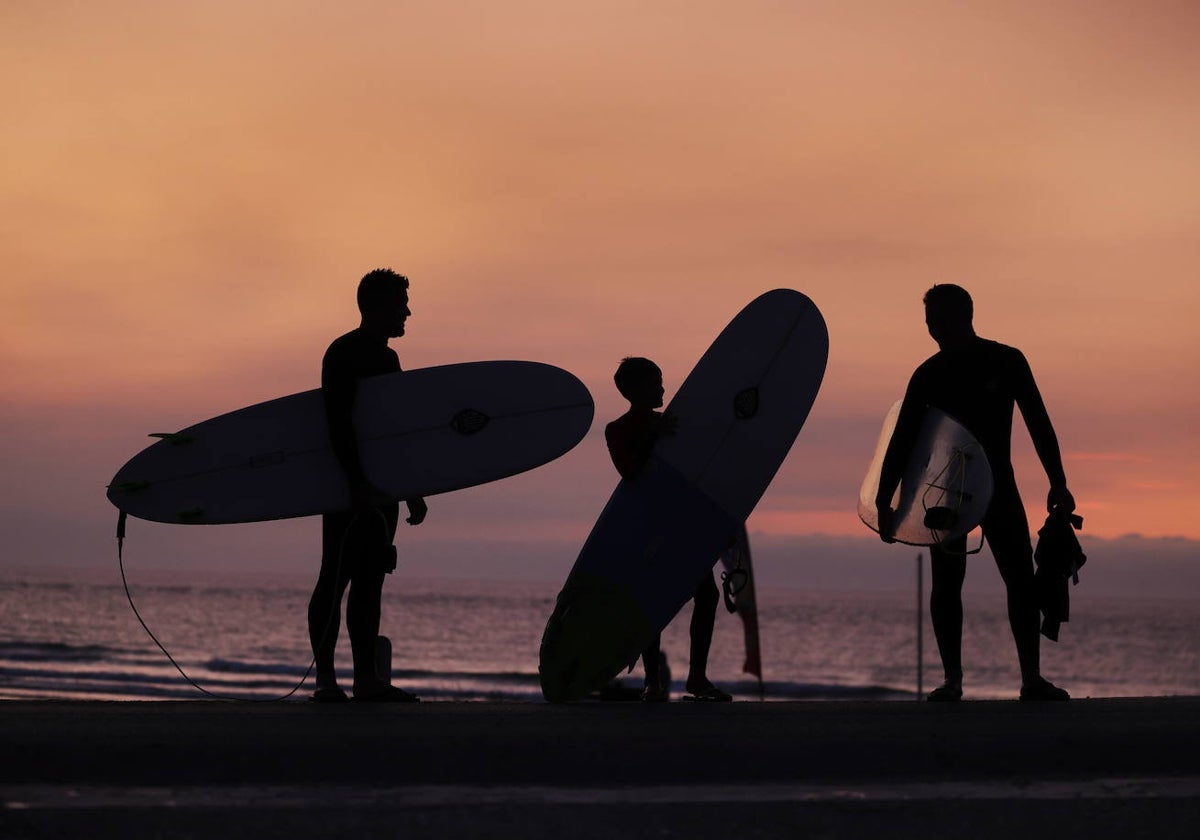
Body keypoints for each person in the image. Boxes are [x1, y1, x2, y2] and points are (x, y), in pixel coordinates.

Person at [875, 284, 1076, 702]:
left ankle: (1031, 679)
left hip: (999, 486)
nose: (933, 329)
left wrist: (1058, 480)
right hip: (944, 496)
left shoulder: (1005, 361)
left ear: (965, 315)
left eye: (940, 321)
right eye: (930, 323)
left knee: (1020, 579)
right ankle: (952, 679)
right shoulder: (928, 374)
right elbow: (902, 438)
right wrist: (883, 498)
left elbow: (1039, 421)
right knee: (946, 584)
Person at [308, 268, 427, 703]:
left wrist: (410, 487)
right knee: (334, 578)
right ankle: (325, 679)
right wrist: (354, 483)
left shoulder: (388, 359)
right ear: (376, 306)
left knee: (372, 578)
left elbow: (393, 430)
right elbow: (338, 423)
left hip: (383, 490)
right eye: (400, 305)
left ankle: (365, 679)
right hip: (346, 485)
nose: (408, 312)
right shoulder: (344, 352)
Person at [605, 356, 731, 703]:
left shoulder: (673, 423)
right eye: (655, 382)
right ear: (633, 390)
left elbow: (697, 475)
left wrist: (720, 523)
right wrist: (651, 438)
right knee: (651, 600)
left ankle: (697, 679)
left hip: (684, 524)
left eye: (661, 380)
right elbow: (630, 472)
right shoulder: (617, 429)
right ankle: (653, 683)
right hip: (647, 525)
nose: (662, 387)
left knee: (706, 596)